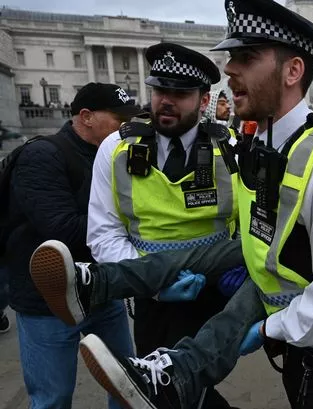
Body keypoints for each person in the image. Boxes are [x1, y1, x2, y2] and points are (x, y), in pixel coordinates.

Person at [37, 1, 313, 408]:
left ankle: (165, 358)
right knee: (201, 255)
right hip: (291, 316)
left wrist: (270, 329)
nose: (229, 70)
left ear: (293, 71)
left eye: (246, 57)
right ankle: (123, 313)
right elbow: (260, 238)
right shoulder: (267, 146)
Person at [86, 42, 242, 407]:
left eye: (180, 93)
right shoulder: (116, 147)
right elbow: (103, 232)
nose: (166, 101)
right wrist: (155, 286)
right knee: (166, 391)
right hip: (152, 297)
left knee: (190, 389)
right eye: (160, 90)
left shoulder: (230, 147)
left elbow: (248, 221)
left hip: (211, 290)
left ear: (204, 101)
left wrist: (242, 268)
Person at [6, 83, 143, 408]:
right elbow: (62, 228)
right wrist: (134, 227)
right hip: (47, 303)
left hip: (103, 293)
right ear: (86, 117)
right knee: (53, 398)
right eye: (119, 118)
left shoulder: (117, 154)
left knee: (129, 386)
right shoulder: (41, 155)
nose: (127, 126)